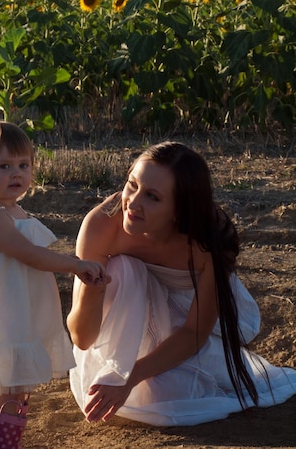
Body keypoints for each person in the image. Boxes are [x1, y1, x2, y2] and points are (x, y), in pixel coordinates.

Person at [67, 141, 296, 426]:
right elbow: (82, 338)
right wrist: (95, 288)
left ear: (179, 210)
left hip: (188, 317)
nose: (133, 203)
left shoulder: (210, 239)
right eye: (132, 184)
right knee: (124, 268)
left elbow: (193, 332)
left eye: (153, 196)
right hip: (132, 311)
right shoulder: (102, 225)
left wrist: (131, 377)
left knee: (167, 396)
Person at [0, 120, 107, 449]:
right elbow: (29, 255)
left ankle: (7, 442)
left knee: (20, 388)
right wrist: (75, 264)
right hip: (4, 317)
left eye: (23, 165)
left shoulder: (16, 211)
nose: (16, 174)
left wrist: (74, 262)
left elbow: (34, 255)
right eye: (4, 166)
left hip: (23, 313)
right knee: (10, 389)